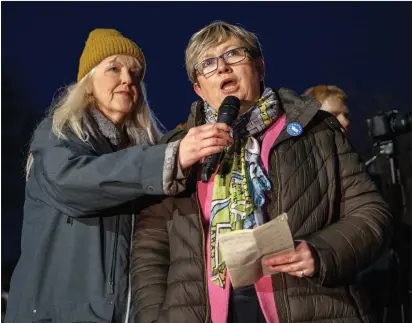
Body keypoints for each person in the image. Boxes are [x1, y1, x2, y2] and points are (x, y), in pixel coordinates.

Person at [131, 21, 392, 323]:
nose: (223, 68)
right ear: (199, 89)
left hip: (311, 306)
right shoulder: (177, 151)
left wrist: (321, 252)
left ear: (259, 66)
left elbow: (371, 213)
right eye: (208, 63)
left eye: (233, 54)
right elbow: (150, 249)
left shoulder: (315, 130)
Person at [4, 28, 232, 323]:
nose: (128, 79)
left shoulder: (140, 152)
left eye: (135, 73)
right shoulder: (57, 135)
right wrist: (171, 157)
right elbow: (75, 182)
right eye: (114, 68)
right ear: (87, 83)